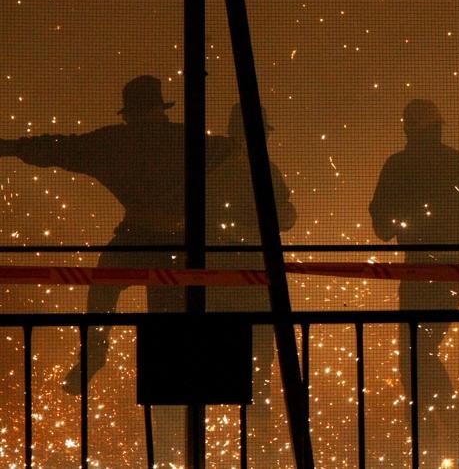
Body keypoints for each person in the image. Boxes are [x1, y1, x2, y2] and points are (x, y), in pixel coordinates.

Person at [0, 75, 231, 392]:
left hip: (138, 236)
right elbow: (225, 150)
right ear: (159, 108)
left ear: (130, 113)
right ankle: (175, 387)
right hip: (179, 241)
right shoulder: (187, 140)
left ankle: (95, 354)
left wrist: (12, 148)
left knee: (103, 289)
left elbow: (63, 148)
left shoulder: (116, 143)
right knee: (169, 317)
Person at [370, 99, 459, 430]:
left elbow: (382, 228)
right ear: (437, 127)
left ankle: (431, 427)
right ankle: (444, 425)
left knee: (413, 354)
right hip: (453, 272)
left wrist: (407, 223)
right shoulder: (458, 163)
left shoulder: (397, 166)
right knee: (422, 350)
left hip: (417, 272)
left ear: (407, 129)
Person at [205, 102, 298, 425]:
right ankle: (258, 447)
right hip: (256, 282)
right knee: (259, 374)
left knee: (215, 375)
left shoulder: (213, 171)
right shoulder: (266, 170)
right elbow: (287, 216)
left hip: (218, 285)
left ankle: (203, 448)